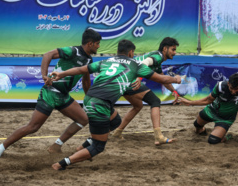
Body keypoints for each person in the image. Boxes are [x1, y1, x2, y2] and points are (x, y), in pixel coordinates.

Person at [51, 39, 181, 170]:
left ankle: (83, 148)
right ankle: (61, 164)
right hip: (100, 104)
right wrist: (176, 79)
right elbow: (162, 79)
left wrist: (61, 74)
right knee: (98, 147)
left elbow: (81, 69)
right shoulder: (135, 64)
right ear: (131, 52)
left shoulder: (106, 61)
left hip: (90, 98)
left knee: (115, 121)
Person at [0, 29, 102, 158]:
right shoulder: (72, 51)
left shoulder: (89, 60)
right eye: (97, 43)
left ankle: (56, 146)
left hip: (63, 96)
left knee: (83, 119)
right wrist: (44, 75)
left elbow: (86, 81)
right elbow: (47, 55)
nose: (99, 46)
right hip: (50, 93)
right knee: (33, 127)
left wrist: (89, 98)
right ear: (90, 43)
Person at [112, 37, 180, 145]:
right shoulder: (157, 57)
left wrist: (174, 91)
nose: (175, 52)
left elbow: (162, 78)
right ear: (165, 49)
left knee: (138, 106)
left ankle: (117, 132)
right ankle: (158, 136)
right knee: (155, 101)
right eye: (173, 49)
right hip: (130, 79)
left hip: (122, 79)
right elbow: (145, 63)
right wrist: (138, 78)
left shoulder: (157, 58)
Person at [176, 73, 238, 144]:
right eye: (231, 88)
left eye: (236, 89)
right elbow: (208, 100)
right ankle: (203, 130)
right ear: (228, 83)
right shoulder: (221, 86)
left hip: (225, 119)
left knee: (213, 141)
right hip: (211, 110)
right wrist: (190, 103)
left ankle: (227, 136)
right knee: (197, 126)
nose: (233, 91)